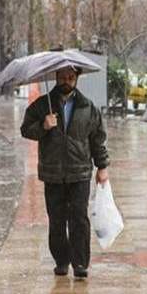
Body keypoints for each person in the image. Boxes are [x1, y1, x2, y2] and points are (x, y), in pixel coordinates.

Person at [20, 66, 109, 279]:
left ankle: (80, 263)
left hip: (80, 172)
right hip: (53, 173)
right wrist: (44, 125)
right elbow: (26, 129)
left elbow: (97, 139)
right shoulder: (43, 105)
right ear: (55, 77)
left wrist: (102, 166)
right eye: (61, 77)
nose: (66, 81)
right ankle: (61, 261)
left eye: (70, 77)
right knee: (57, 219)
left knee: (79, 218)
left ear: (77, 78)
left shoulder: (88, 107)